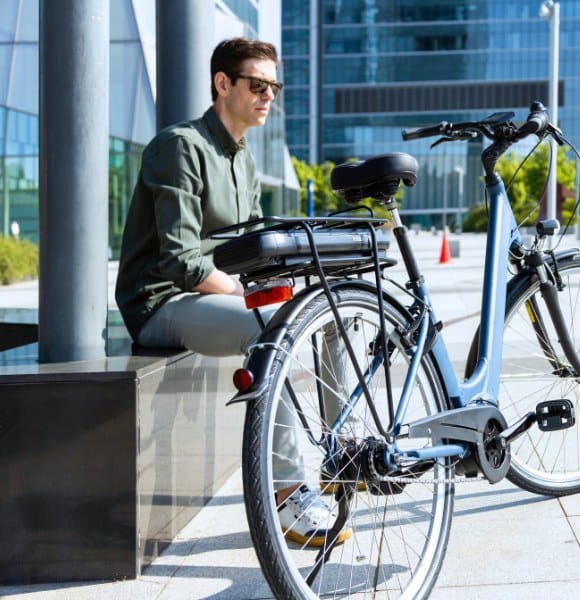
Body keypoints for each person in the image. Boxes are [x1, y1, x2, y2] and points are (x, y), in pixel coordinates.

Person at [115, 37, 349, 547]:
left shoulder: (243, 158)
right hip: (160, 302)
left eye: (274, 87)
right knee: (270, 329)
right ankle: (288, 493)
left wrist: (289, 284)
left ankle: (342, 456)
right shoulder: (179, 147)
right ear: (223, 84)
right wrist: (252, 297)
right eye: (258, 85)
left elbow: (252, 247)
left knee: (328, 312)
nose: (269, 96)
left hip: (213, 295)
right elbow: (180, 261)